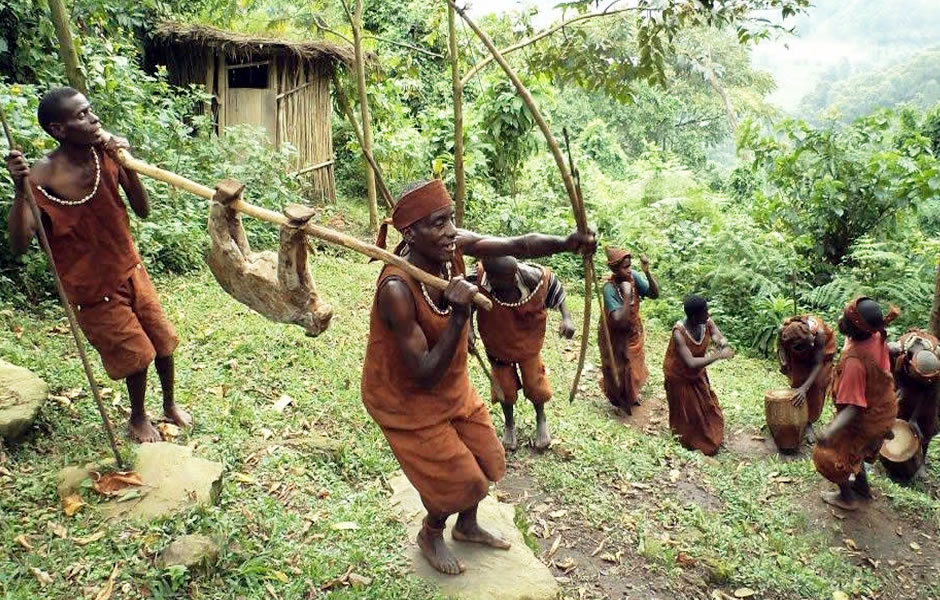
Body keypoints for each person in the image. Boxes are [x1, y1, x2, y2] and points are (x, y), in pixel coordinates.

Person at [361, 179, 595, 575]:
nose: (451, 231)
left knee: (490, 459)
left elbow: (517, 246)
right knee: (460, 481)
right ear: (411, 233)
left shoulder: (450, 248)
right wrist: (458, 314)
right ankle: (432, 532)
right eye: (438, 224)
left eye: (451, 219)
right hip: (406, 398)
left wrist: (566, 242)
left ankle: (466, 526)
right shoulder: (397, 289)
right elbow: (422, 375)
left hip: (450, 386)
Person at [4, 87, 190, 443]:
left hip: (130, 268)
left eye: (91, 111)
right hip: (92, 288)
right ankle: (137, 417)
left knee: (162, 341)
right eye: (82, 115)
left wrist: (124, 163)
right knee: (137, 354)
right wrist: (19, 189)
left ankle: (169, 404)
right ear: (58, 129)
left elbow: (142, 209)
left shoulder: (103, 155)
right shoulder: (41, 177)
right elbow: (18, 243)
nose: (94, 119)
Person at [470, 256, 574, 451]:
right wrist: (468, 329)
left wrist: (566, 317)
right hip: (497, 340)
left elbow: (555, 288)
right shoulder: (478, 277)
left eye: (504, 282)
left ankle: (541, 419)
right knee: (504, 386)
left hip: (528, 339)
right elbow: (466, 301)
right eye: (494, 282)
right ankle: (509, 424)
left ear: (513, 275)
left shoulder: (535, 278)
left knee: (535, 383)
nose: (499, 286)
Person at [813, 297, 899, 511]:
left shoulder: (854, 363)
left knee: (831, 454)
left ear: (857, 328)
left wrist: (830, 431)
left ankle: (846, 498)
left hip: (866, 416)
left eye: (846, 319)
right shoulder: (875, 333)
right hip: (883, 407)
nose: (840, 319)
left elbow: (853, 408)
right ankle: (862, 488)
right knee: (856, 450)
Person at [663, 295, 733, 455]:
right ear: (694, 316)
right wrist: (718, 355)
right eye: (704, 312)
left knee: (706, 405)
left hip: (697, 374)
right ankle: (688, 440)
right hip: (678, 376)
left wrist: (722, 343)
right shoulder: (679, 333)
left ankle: (707, 434)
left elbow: (716, 334)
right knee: (687, 412)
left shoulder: (706, 322)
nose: (708, 314)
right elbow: (690, 362)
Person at [599, 248, 659, 412]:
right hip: (616, 335)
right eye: (625, 267)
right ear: (615, 269)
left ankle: (631, 394)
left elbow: (654, 294)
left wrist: (646, 272)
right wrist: (627, 295)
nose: (629, 270)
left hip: (632, 332)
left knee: (633, 364)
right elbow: (618, 320)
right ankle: (620, 398)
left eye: (630, 266)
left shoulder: (634, 278)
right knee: (618, 366)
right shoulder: (609, 289)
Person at [777, 314, 837, 440]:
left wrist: (805, 388)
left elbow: (818, 364)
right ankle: (798, 416)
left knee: (817, 384)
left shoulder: (819, 335)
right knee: (798, 380)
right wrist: (783, 360)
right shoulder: (784, 331)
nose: (809, 346)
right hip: (798, 353)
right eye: (803, 345)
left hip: (821, 356)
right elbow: (781, 346)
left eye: (809, 342)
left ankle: (809, 422)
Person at [888, 329, 940, 467]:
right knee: (900, 413)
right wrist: (900, 389)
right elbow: (895, 373)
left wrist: (915, 418)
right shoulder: (899, 354)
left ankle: (922, 459)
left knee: (927, 421)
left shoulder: (934, 370)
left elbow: (927, 393)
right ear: (911, 364)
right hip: (906, 383)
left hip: (928, 393)